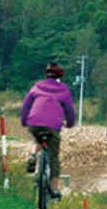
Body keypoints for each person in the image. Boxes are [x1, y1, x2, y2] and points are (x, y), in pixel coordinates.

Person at [20, 60, 76, 199]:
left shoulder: (36, 87)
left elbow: (26, 105)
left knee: (38, 138)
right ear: (60, 76)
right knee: (53, 156)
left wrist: (24, 120)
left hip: (34, 122)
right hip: (52, 126)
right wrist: (70, 123)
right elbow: (69, 110)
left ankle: (33, 155)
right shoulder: (63, 90)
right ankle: (55, 188)